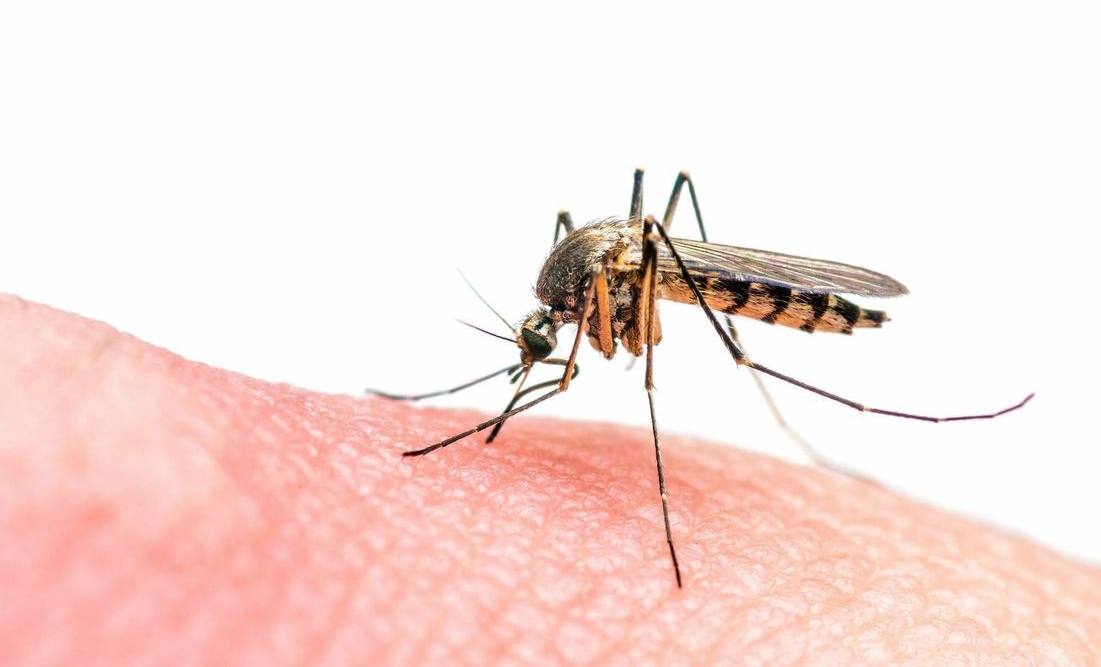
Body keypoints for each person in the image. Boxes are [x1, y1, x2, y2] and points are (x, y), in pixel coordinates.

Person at [1, 293, 1098, 665]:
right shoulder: (566, 302)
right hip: (626, 267)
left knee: (651, 245)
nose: (542, 355)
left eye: (535, 349)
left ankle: (814, 409)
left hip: (673, 267)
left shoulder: (593, 295)